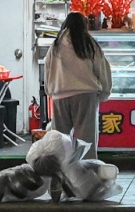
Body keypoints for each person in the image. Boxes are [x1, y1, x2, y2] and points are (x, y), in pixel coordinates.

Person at [44, 11, 112, 153]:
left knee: (60, 140)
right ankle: (86, 170)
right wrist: (105, 92)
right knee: (86, 140)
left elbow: (48, 67)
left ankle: (61, 171)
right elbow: (102, 67)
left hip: (60, 95)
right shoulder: (89, 43)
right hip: (85, 95)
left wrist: (50, 91)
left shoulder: (56, 45)